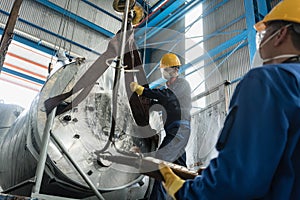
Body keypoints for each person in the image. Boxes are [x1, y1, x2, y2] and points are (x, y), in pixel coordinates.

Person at [157, 0, 300, 199]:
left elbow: (238, 180)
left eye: (264, 33)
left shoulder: (268, 81)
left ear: (281, 34)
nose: (262, 40)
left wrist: (186, 193)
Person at [130, 53, 192, 199]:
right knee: (181, 169)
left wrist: (144, 91)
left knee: (161, 162)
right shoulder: (168, 87)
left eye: (166, 69)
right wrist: (146, 103)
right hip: (173, 130)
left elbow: (167, 96)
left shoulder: (182, 84)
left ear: (174, 70)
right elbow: (160, 104)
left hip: (179, 129)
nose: (164, 73)